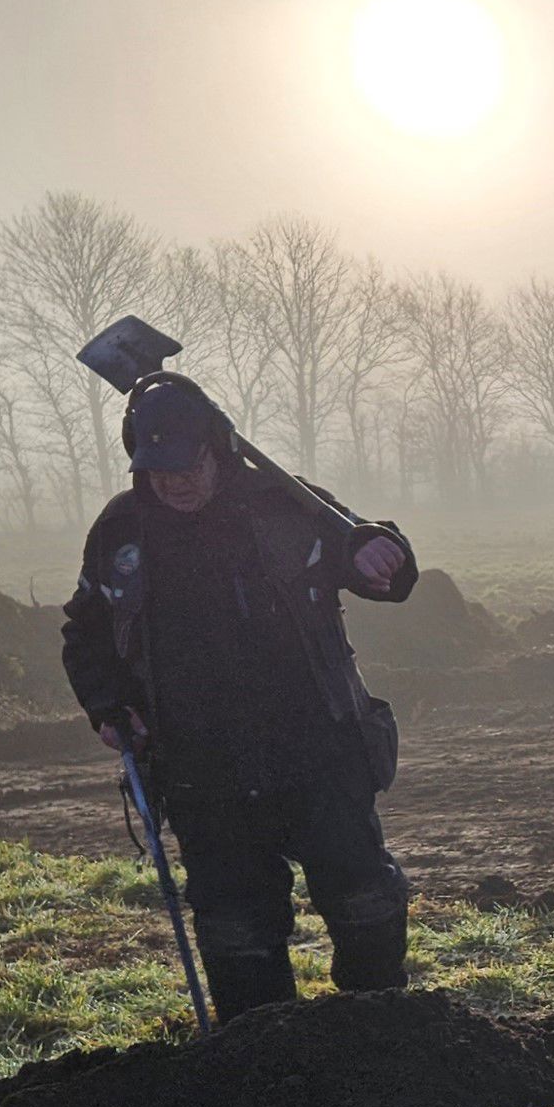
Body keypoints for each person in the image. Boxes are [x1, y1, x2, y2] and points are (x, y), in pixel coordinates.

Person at [61, 373, 422, 1017]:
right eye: (158, 469)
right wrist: (108, 707)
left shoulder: (283, 503)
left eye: (188, 464)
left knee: (363, 900)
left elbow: (373, 560)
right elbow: (86, 633)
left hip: (318, 749)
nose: (175, 482)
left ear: (219, 447)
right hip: (201, 770)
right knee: (237, 932)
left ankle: (381, 1033)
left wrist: (383, 551)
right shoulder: (121, 533)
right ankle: (261, 1053)